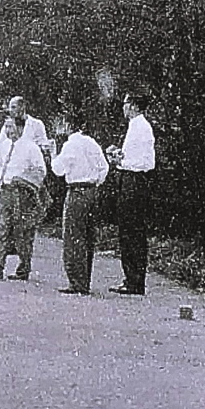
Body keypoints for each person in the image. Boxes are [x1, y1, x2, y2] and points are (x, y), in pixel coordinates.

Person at [50, 109, 109, 295]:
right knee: (87, 236)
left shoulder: (70, 145)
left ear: (67, 125)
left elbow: (58, 169)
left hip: (76, 191)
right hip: (91, 191)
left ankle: (76, 281)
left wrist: (53, 153)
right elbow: (104, 167)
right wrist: (95, 183)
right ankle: (85, 279)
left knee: (73, 237)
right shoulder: (91, 142)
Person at [0, 113, 48, 281]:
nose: (8, 131)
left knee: (23, 231)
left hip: (21, 193)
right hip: (4, 190)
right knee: (1, 227)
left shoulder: (31, 148)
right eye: (6, 127)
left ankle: (23, 268)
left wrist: (22, 180)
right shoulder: (4, 146)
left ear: (20, 128)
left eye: (11, 127)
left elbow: (40, 171)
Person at [106, 90, 157, 296]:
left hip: (135, 181)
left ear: (134, 106)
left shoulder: (142, 127)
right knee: (128, 230)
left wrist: (121, 162)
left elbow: (146, 162)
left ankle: (135, 280)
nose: (123, 107)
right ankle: (132, 277)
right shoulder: (135, 127)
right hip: (129, 179)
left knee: (132, 231)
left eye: (126, 103)